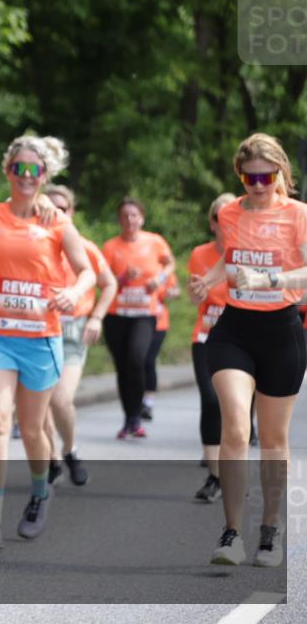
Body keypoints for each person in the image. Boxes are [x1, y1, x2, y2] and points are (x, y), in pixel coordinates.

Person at [0, 135, 95, 549]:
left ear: (44, 175)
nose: (25, 176)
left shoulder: (56, 220)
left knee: (35, 427)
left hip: (40, 338)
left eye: (33, 169)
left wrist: (73, 294)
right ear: (7, 171)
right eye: (18, 168)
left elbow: (86, 271)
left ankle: (41, 489)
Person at [188, 133, 306, 567]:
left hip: (283, 333)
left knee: (274, 440)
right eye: (248, 176)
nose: (257, 184)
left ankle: (270, 531)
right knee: (236, 428)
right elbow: (230, 256)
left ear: (281, 174)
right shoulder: (232, 212)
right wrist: (211, 280)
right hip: (233, 329)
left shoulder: (298, 214)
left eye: (266, 176)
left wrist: (271, 282)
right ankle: (231, 533)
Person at [36, 185, 117, 487]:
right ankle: (52, 456)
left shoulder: (84, 246)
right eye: (51, 208)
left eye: (63, 209)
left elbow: (109, 284)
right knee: (38, 404)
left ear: (71, 212)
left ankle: (71, 450)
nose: (57, 213)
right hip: (39, 328)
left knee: (60, 400)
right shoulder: (33, 242)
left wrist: (96, 317)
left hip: (72, 331)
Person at [101, 198, 176, 438]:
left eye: (134, 215)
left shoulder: (154, 242)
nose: (129, 220)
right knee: (123, 367)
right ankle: (130, 418)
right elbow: (102, 281)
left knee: (136, 358)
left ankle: (136, 413)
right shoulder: (111, 247)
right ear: (119, 219)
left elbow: (170, 264)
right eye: (125, 215)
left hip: (145, 314)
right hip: (116, 315)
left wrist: (159, 280)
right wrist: (123, 278)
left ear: (141, 218)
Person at [187, 193, 236, 503]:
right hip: (206, 336)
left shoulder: (250, 251)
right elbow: (195, 297)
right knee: (210, 399)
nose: (224, 223)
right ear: (212, 223)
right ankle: (214, 475)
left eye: (230, 217)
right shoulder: (200, 254)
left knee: (234, 408)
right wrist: (199, 290)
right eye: (219, 218)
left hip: (241, 339)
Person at [140, 273, 179, 421]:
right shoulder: (141, 266)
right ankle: (137, 400)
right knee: (138, 361)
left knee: (149, 361)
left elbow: (175, 291)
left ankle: (148, 402)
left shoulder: (164, 272)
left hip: (159, 324)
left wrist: (171, 293)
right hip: (139, 320)